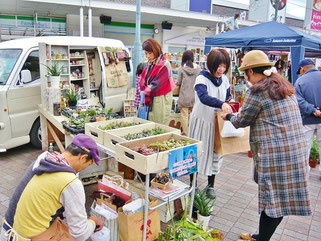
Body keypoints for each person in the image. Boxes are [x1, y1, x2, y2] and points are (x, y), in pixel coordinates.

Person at [221, 50, 311, 241]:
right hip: (296, 150)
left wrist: (227, 115)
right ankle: (262, 236)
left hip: (277, 154)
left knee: (273, 201)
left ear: (251, 71)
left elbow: (241, 121)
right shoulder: (282, 85)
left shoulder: (257, 90)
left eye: (245, 73)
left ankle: (261, 239)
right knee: (280, 200)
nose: (245, 77)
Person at [0, 134, 104, 241]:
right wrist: (92, 222)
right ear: (83, 157)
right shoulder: (70, 181)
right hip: (22, 237)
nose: (84, 169)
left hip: (9, 228)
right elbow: (79, 233)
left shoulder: (45, 161)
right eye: (89, 164)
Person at [188, 49, 233, 199]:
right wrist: (221, 104)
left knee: (215, 153)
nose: (221, 69)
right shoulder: (202, 78)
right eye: (218, 66)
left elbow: (228, 95)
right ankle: (192, 184)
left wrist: (229, 102)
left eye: (224, 66)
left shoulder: (224, 79)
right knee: (196, 152)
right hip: (202, 121)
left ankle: (211, 185)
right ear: (211, 65)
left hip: (217, 124)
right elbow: (203, 97)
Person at [294, 59, 321, 175]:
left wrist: (313, 110)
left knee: (305, 148)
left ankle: (304, 173)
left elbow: (299, 101)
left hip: (306, 119)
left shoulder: (300, 81)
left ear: (302, 69)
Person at [140, 38, 176, 124]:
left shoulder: (164, 64)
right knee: (149, 124)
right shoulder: (150, 63)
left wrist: (145, 89)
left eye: (150, 53)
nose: (148, 56)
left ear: (155, 50)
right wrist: (145, 88)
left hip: (161, 98)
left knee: (158, 125)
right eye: (146, 53)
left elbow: (156, 84)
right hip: (151, 97)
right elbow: (143, 81)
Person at [176, 50, 201, 135]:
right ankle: (194, 133)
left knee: (184, 115)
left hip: (184, 95)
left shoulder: (181, 68)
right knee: (194, 115)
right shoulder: (198, 68)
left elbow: (178, 82)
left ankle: (186, 133)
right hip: (195, 95)